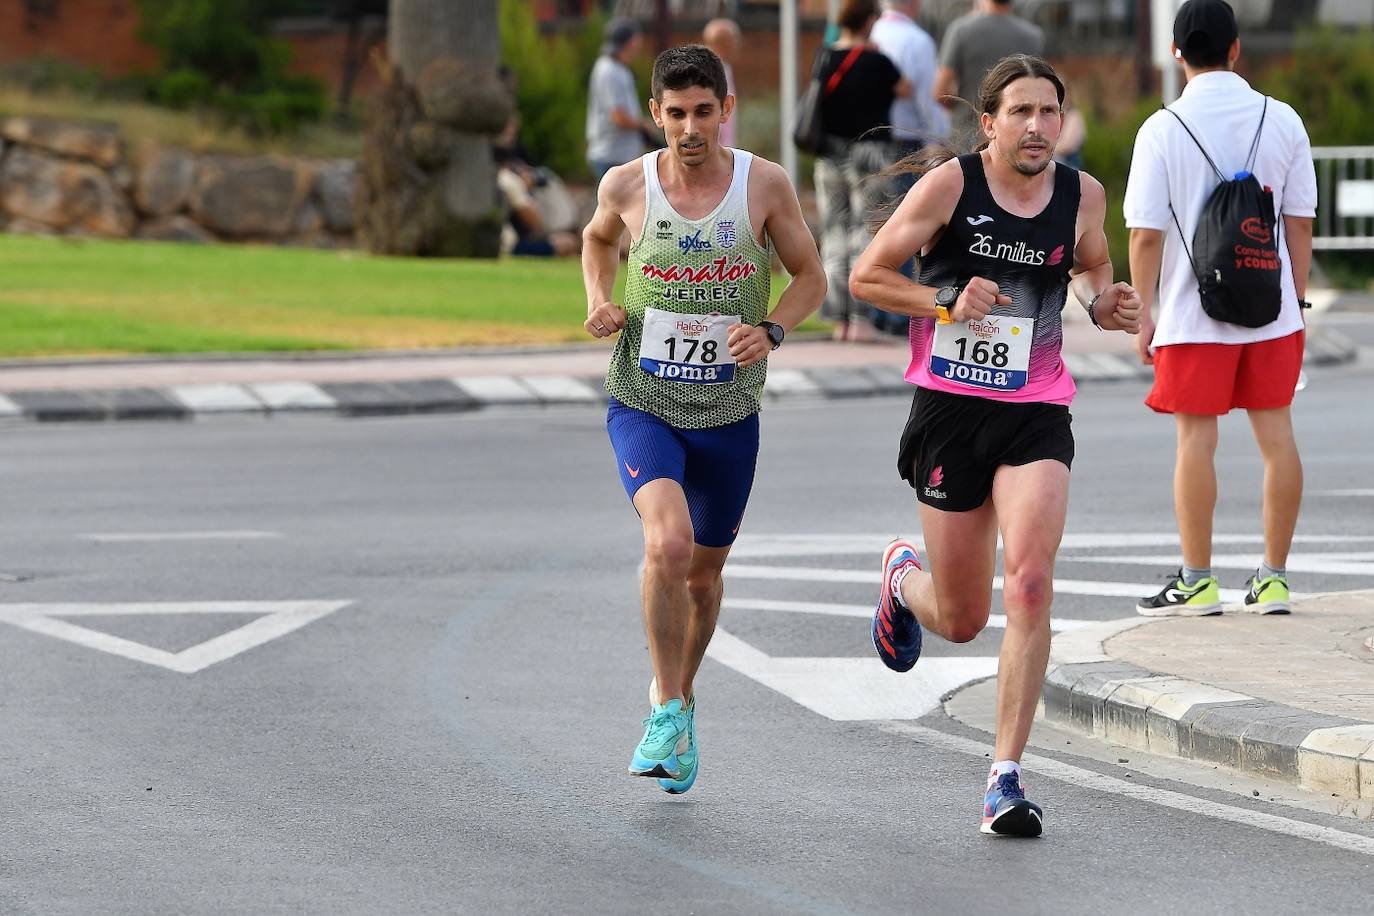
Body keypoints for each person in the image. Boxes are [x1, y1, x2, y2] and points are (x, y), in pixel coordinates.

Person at [849, 55, 1141, 836]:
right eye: (1021, 112)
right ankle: (902, 577)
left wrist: (1106, 300)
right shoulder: (951, 187)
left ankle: (1004, 778)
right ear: (990, 123)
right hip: (949, 411)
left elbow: (1091, 265)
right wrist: (943, 298)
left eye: (1050, 112)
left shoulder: (1083, 194)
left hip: (1035, 409)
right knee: (964, 617)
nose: (1038, 126)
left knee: (1034, 583)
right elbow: (867, 277)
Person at [581, 45, 825, 793]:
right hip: (643, 398)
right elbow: (597, 239)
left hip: (727, 411)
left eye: (704, 112)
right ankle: (666, 704)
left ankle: (680, 701)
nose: (691, 128)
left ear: (726, 110)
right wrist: (598, 297)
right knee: (669, 544)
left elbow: (811, 276)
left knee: (705, 577)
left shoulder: (764, 185)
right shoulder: (626, 183)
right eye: (676, 113)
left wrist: (773, 329)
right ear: (655, 114)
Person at [1125, 0, 1316, 617]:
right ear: (1237, 50)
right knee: (1278, 439)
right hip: (1273, 312)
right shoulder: (1283, 121)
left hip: (1191, 315)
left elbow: (1145, 233)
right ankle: (1275, 579)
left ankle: (1198, 580)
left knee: (1194, 444)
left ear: (1176, 52)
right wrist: (1298, 302)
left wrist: (1145, 312)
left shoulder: (1161, 129)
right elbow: (1300, 224)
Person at [813, 0, 912, 342]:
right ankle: (860, 319)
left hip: (830, 155)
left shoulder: (826, 57)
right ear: (870, 21)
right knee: (867, 230)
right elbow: (907, 89)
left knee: (834, 232)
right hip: (870, 154)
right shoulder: (877, 60)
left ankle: (838, 320)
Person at [869, 0, 948, 338]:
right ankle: (899, 315)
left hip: (864, 142)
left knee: (874, 223)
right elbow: (927, 99)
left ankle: (873, 312)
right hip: (905, 143)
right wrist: (940, 139)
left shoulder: (869, 31)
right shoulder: (917, 40)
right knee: (906, 228)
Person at [934, 1, 1044, 144]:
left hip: (968, 129)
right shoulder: (1033, 36)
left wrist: (957, 106)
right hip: (1016, 130)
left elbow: (939, 90)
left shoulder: (961, 30)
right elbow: (1039, 86)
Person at [586, 18, 658, 183]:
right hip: (612, 154)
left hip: (618, 153)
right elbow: (618, 116)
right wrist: (643, 125)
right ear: (631, 42)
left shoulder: (617, 68)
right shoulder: (610, 71)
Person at [702, 18, 741, 149]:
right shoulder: (707, 71)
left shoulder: (725, 68)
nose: (738, 44)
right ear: (726, 42)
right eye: (735, 39)